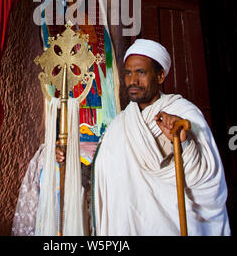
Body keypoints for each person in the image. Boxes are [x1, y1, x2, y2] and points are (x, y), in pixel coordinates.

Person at [57, 38, 231, 236]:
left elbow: (207, 182)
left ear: (160, 76)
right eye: (128, 73)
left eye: (141, 72)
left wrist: (184, 142)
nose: (132, 81)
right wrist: (69, 163)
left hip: (171, 226)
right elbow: (102, 176)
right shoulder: (119, 125)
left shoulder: (184, 114)